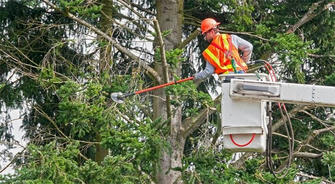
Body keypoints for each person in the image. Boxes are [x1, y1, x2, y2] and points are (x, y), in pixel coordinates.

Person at [193, 18, 253, 83]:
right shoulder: (231, 38)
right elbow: (249, 47)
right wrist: (243, 62)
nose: (205, 38)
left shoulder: (210, 51)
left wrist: (196, 77)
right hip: (242, 75)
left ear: (212, 32)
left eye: (205, 34)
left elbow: (208, 71)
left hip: (228, 78)